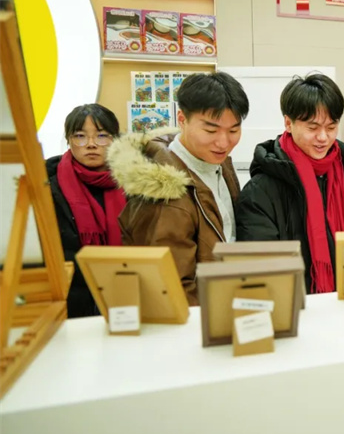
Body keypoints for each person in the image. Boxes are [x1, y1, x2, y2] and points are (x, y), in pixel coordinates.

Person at [108, 72, 249, 304]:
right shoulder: (164, 193)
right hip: (198, 316)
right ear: (182, 119)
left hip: (223, 302)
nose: (224, 142)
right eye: (211, 130)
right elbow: (171, 288)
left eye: (233, 130)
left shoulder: (216, 162)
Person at [235, 73, 344, 294]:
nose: (323, 137)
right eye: (312, 127)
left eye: (331, 127)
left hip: (343, 302)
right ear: (288, 123)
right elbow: (260, 272)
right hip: (291, 306)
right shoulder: (259, 191)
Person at [46, 104, 125, 318]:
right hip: (72, 300)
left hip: (126, 290)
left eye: (102, 136)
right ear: (69, 140)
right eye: (80, 136)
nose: (91, 144)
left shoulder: (134, 182)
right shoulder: (48, 185)